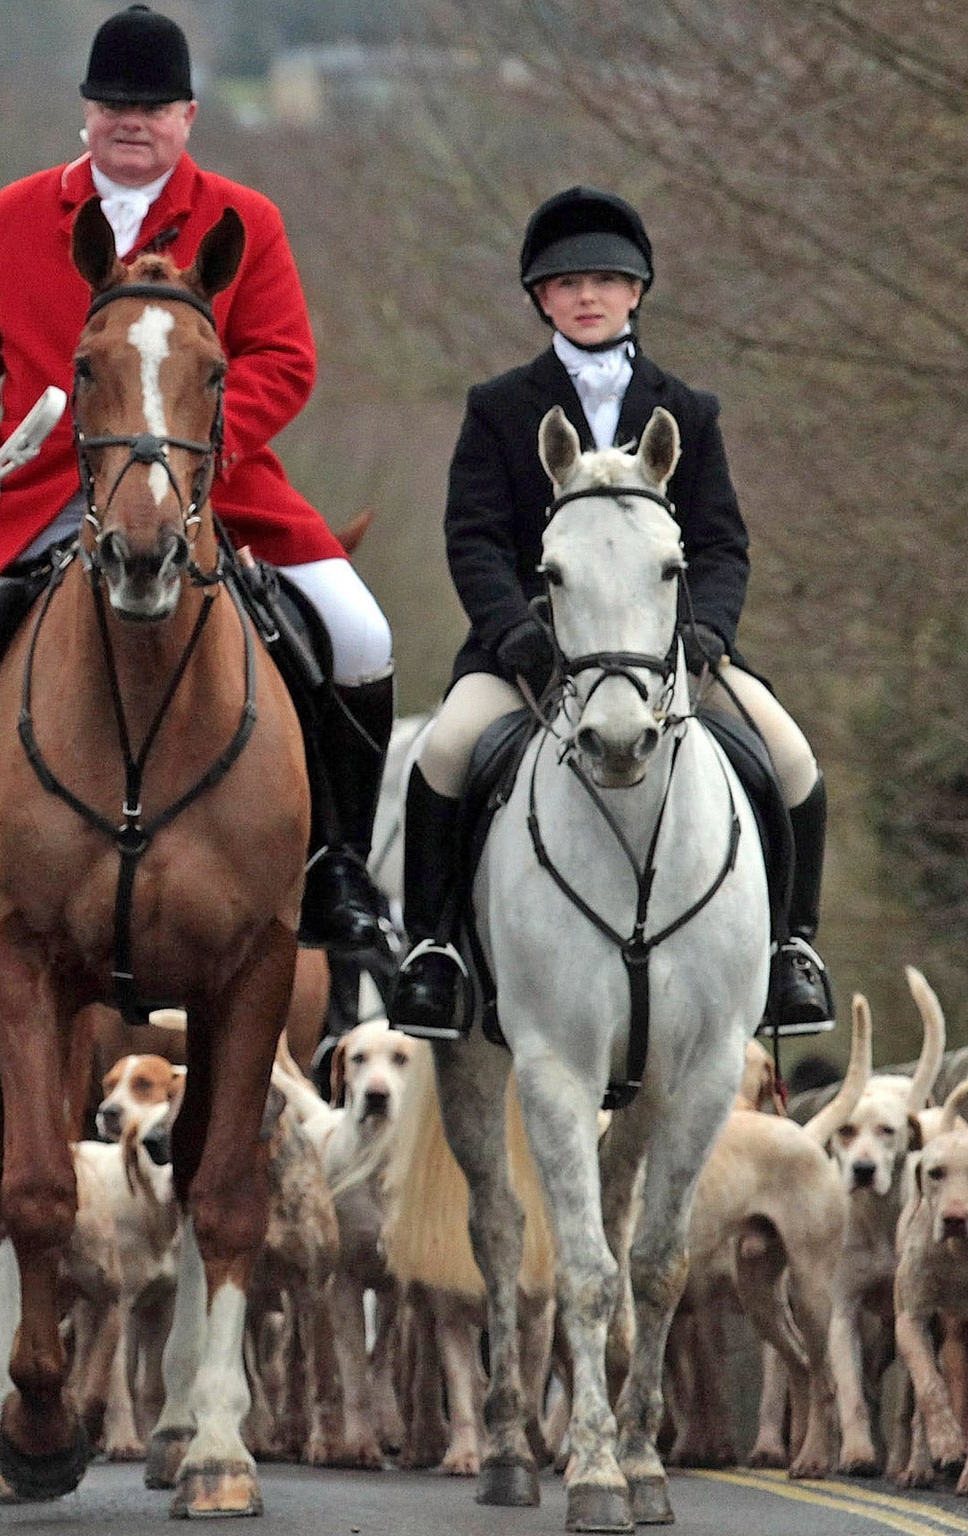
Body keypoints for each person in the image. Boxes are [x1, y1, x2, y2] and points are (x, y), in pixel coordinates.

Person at [0, 3, 395, 957]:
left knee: (360, 635)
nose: (131, 120)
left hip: (208, 485)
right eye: (113, 104)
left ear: (189, 116)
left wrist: (198, 449)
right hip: (39, 491)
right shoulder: (18, 213)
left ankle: (336, 867)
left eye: (152, 106)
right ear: (86, 112)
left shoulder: (244, 221)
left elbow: (286, 357)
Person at [388, 186, 834, 1040]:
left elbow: (722, 544)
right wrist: (513, 632)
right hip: (528, 652)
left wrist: (705, 637)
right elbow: (473, 537)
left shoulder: (690, 412)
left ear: (636, 291)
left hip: (666, 651)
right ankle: (434, 955)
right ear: (540, 299)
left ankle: (791, 952)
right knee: (443, 753)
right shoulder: (499, 407)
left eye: (604, 279)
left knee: (791, 756)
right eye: (565, 284)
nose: (585, 296)